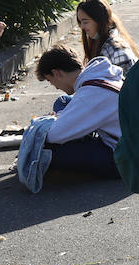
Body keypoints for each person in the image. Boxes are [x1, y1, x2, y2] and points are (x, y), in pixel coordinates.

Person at [32, 44, 124, 180]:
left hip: (126, 158)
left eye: (51, 81)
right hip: (129, 139)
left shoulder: (91, 93)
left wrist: (51, 120)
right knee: (62, 102)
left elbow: (53, 136)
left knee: (47, 152)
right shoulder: (100, 75)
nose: (56, 87)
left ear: (57, 73)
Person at [75, 0, 139, 71]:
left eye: (85, 22)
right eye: (80, 22)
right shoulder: (98, 42)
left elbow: (129, 80)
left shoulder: (117, 50)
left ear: (99, 20)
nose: (82, 26)